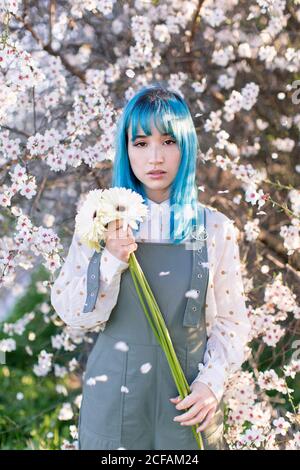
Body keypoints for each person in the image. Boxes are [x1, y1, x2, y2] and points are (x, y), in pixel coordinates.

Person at [51, 84, 251, 450]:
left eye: (169, 141)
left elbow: (233, 324)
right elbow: (73, 314)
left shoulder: (215, 228)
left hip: (189, 399)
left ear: (186, 145)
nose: (155, 157)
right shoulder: (101, 223)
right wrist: (111, 260)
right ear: (126, 150)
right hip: (114, 395)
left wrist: (212, 384)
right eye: (141, 143)